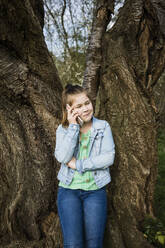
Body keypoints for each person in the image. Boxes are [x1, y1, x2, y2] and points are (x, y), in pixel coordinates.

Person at [54, 84, 115, 248]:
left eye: (87, 103)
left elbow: (108, 157)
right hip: (68, 191)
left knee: (94, 244)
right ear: (69, 110)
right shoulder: (63, 129)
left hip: (95, 191)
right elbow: (62, 157)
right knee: (73, 244)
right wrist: (73, 127)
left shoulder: (103, 126)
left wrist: (79, 164)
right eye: (79, 106)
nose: (86, 108)